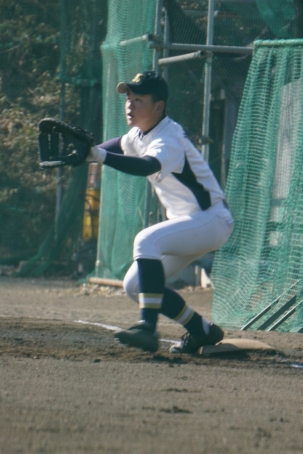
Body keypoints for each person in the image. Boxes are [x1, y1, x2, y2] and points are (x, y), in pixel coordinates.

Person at [86, 71, 234, 353]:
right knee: (135, 285)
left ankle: (147, 328)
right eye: (128, 98)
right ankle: (202, 331)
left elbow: (146, 165)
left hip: (211, 219)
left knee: (146, 240)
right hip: (190, 224)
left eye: (138, 99)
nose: (129, 104)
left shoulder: (169, 137)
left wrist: (98, 156)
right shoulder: (139, 134)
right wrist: (85, 154)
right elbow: (120, 144)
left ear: (158, 107)